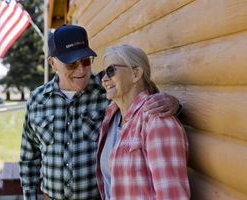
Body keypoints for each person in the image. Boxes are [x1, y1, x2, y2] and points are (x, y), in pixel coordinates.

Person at [19, 24, 180, 200]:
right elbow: (29, 157)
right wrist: (29, 195)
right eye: (71, 64)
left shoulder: (108, 89)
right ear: (52, 63)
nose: (81, 70)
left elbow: (141, 97)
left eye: (86, 61)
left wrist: (174, 104)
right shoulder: (37, 100)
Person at [96, 44, 190, 200]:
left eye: (111, 71)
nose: (104, 79)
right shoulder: (111, 116)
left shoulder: (158, 122)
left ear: (136, 73)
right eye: (103, 73)